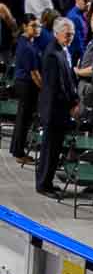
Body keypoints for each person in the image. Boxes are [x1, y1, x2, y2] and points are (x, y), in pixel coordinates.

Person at [35, 16, 78, 196]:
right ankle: (43, 184)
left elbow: (68, 79)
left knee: (55, 150)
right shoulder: (53, 53)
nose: (70, 38)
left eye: (72, 34)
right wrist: (71, 103)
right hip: (54, 110)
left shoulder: (61, 50)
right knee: (49, 150)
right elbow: (56, 87)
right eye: (67, 34)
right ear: (57, 33)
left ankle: (48, 181)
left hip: (59, 110)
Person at [10, 15, 41, 165]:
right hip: (26, 85)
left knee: (22, 119)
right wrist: (43, 88)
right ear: (24, 27)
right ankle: (19, 152)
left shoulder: (25, 42)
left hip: (22, 83)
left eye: (38, 26)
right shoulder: (27, 47)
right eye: (33, 26)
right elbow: (34, 73)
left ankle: (16, 149)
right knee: (24, 120)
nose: (37, 29)